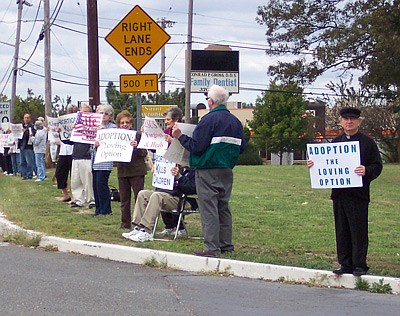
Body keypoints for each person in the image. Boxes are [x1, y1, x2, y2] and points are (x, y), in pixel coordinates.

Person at [307, 107, 383, 276]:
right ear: (341, 121)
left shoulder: (367, 143)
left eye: (353, 119)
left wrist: (366, 171)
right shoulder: (335, 143)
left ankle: (359, 265)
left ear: (359, 121)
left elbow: (377, 166)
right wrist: (314, 165)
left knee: (358, 231)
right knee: (342, 231)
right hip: (339, 195)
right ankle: (345, 263)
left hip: (358, 195)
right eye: (346, 119)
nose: (349, 122)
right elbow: (326, 163)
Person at [172, 84, 246, 257]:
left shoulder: (208, 120)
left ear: (211, 101)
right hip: (227, 170)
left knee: (209, 208)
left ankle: (212, 248)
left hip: (207, 169)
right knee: (223, 207)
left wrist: (179, 136)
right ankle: (226, 245)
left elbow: (196, 146)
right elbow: (242, 148)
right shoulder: (235, 122)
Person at [122, 166, 197, 242]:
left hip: (185, 201)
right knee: (143, 194)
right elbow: (161, 187)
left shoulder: (195, 171)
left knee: (157, 196)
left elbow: (192, 188)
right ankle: (138, 227)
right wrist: (158, 174)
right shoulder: (173, 168)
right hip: (170, 196)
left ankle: (147, 230)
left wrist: (179, 177)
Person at [115, 110, 148, 228]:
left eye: (127, 122)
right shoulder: (115, 137)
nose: (125, 124)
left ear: (131, 123)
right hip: (122, 171)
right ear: (119, 124)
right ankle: (125, 223)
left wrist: (136, 146)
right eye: (122, 122)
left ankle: (141, 221)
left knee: (139, 197)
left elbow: (144, 152)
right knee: (124, 199)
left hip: (137, 171)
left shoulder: (137, 135)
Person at [160, 106, 186, 235]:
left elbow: (184, 148)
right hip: (164, 169)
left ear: (176, 119)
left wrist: (172, 141)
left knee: (175, 196)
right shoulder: (165, 131)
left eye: (168, 119)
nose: (166, 122)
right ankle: (168, 225)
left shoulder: (183, 131)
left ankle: (179, 226)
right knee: (160, 192)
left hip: (177, 168)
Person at [92, 104, 117, 215]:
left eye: (106, 114)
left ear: (110, 115)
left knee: (102, 184)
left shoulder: (112, 127)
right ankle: (98, 208)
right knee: (95, 185)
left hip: (105, 161)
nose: (103, 116)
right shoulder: (94, 126)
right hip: (95, 159)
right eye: (101, 113)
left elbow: (112, 143)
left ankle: (106, 209)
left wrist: (102, 132)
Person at [69, 104, 95, 208]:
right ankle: (78, 200)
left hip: (87, 156)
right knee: (75, 180)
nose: (83, 114)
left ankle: (91, 200)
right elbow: (69, 141)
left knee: (88, 180)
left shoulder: (93, 126)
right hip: (76, 155)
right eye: (82, 112)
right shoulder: (76, 126)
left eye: (86, 112)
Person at [55, 104, 78, 202]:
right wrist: (58, 132)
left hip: (74, 150)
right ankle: (65, 194)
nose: (72, 112)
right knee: (59, 173)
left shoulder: (79, 123)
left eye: (74, 111)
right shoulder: (63, 122)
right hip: (64, 151)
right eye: (70, 111)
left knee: (75, 175)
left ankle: (75, 196)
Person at [19, 113, 36, 180]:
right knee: (22, 162)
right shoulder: (21, 126)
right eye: (25, 117)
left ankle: (29, 175)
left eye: (27, 118)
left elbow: (32, 134)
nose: (26, 119)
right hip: (22, 145)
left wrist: (25, 131)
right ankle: (23, 174)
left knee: (29, 162)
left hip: (28, 146)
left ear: (29, 118)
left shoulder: (31, 126)